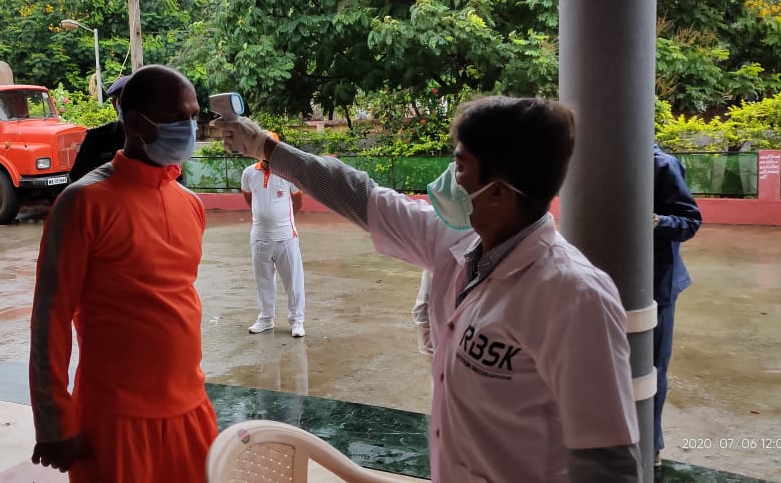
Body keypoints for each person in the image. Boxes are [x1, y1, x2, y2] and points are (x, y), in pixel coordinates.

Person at [218, 96, 642, 482]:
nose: (447, 179)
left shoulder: (574, 297)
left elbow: (607, 465)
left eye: (459, 167)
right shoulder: (452, 240)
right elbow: (357, 194)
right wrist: (264, 148)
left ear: (497, 192)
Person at [30, 66, 218, 482]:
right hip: (115, 420)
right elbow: (51, 320)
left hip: (192, 411)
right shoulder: (82, 203)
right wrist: (54, 422)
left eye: (193, 116)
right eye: (178, 119)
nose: (190, 128)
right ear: (134, 122)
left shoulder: (190, 205)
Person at [652, 143, 701, 469]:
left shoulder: (662, 165)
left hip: (659, 281)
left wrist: (656, 221)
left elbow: (690, 221)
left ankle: (653, 444)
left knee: (653, 365)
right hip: (615, 277)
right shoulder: (601, 161)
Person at [240, 133, 307, 337]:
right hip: (259, 237)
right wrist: (264, 216)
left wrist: (284, 220)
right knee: (263, 280)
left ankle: (297, 321)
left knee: (293, 281)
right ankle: (266, 319)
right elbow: (248, 198)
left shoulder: (289, 173)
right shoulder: (249, 173)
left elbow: (298, 201)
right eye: (263, 147)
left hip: (285, 236)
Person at [69, 76, 130, 182]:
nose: (132, 107)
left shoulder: (157, 137)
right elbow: (77, 177)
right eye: (126, 100)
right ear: (114, 104)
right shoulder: (97, 138)